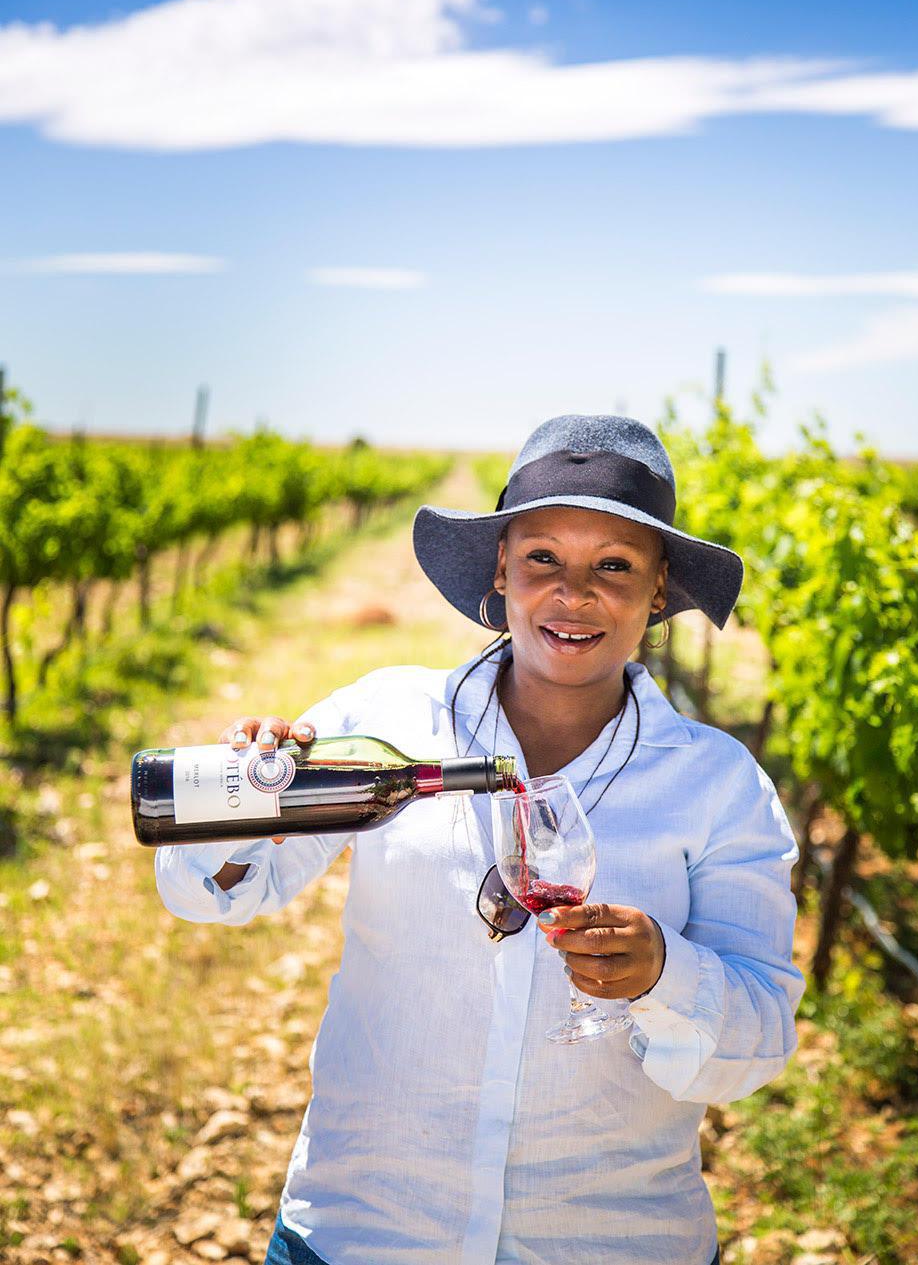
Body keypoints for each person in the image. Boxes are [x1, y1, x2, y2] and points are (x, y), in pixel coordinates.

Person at [155, 413, 806, 1265]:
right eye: (543, 558)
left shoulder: (717, 783)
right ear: (501, 570)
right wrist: (245, 791)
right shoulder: (386, 720)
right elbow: (212, 893)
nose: (574, 593)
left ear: (658, 591)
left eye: (613, 565)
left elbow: (758, 1042)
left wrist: (663, 974)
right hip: (365, 1233)